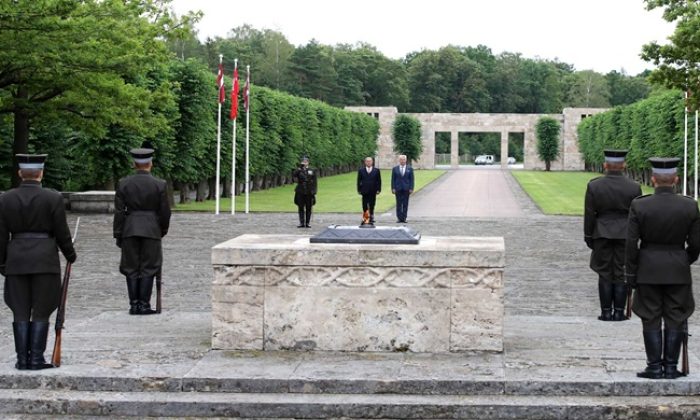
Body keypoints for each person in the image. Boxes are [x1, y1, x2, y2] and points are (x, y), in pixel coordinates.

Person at [625, 157, 700, 380]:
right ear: (676, 180)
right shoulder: (689, 205)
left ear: (654, 179)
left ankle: (654, 366)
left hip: (648, 268)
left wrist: (631, 271)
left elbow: (631, 243)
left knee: (650, 316)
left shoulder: (640, 204)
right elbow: (696, 244)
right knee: (676, 316)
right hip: (677, 268)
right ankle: (670, 367)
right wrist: (684, 259)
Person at [0, 154, 76, 370]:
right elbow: (62, 232)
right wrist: (70, 253)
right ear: (41, 173)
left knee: (20, 309)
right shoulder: (52, 198)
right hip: (45, 260)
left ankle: (22, 358)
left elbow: (1, 235)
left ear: (20, 173)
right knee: (42, 309)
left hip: (17, 260)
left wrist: (2, 262)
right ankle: (36, 359)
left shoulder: (6, 199)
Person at [584, 149, 642, 321]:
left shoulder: (595, 185)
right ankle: (619, 311)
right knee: (621, 272)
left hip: (602, 232)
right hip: (625, 233)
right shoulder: (634, 187)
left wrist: (589, 236)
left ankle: (606, 311)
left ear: (605, 165)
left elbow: (589, 214)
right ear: (624, 165)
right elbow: (636, 216)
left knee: (604, 272)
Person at [114, 147, 171, 315]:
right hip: (151, 229)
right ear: (150, 164)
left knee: (131, 267)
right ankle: (144, 304)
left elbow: (118, 212)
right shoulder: (159, 184)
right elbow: (165, 212)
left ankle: (134, 304)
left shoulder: (124, 183)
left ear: (134, 164)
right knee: (149, 266)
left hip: (130, 228)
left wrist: (118, 233)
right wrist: (161, 230)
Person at [292, 156, 317, 228]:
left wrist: (314, 191)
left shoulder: (312, 170)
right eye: (303, 162)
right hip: (300, 191)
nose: (304, 163)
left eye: (306, 162)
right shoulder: (299, 170)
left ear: (308, 162)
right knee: (300, 207)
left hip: (309, 191)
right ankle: (301, 222)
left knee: (309, 207)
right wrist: (299, 168)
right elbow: (294, 175)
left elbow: (315, 181)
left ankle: (308, 223)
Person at [357, 156, 381, 224]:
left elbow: (379, 181)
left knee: (372, 204)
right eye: (367, 161)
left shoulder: (376, 170)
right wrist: (359, 189)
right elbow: (359, 181)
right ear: (365, 162)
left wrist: (378, 189)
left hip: (373, 190)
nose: (368, 162)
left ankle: (371, 217)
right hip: (364, 190)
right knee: (364, 205)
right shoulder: (361, 170)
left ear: (372, 162)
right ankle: (366, 218)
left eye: (370, 161)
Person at [391, 155, 414, 223]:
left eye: (403, 159)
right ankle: (399, 218)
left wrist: (411, 188)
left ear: (406, 160)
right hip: (398, 188)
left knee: (405, 204)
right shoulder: (395, 169)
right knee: (398, 204)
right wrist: (393, 188)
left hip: (406, 189)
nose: (402, 161)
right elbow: (393, 179)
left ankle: (404, 218)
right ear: (399, 160)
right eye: (401, 159)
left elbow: (411, 179)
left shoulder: (409, 169)